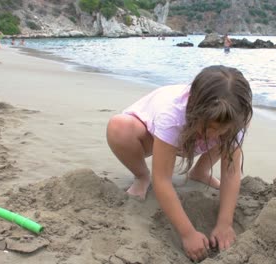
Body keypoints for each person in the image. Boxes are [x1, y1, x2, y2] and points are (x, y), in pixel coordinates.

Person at [106, 65, 253, 261]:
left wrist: (225, 223)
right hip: (152, 135)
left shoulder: (235, 118)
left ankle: (200, 172)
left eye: (222, 130)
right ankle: (141, 176)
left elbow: (231, 172)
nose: (214, 135)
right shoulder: (172, 113)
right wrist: (187, 233)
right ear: (193, 108)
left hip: (192, 139)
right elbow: (163, 179)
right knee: (119, 127)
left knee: (227, 138)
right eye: (210, 127)